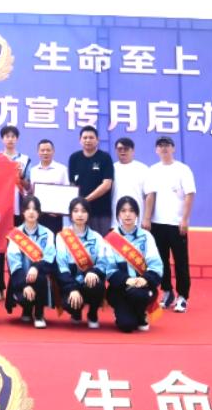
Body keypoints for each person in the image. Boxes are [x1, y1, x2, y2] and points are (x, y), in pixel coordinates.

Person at [142, 135, 196, 313]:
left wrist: (185, 219)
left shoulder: (183, 169)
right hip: (157, 223)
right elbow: (150, 195)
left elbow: (189, 195)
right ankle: (167, 291)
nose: (164, 148)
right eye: (160, 146)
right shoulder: (152, 170)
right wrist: (147, 218)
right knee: (161, 261)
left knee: (181, 261)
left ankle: (182, 296)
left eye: (167, 145)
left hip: (176, 223)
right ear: (156, 150)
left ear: (173, 148)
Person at [104, 196, 164, 333]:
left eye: (131, 211)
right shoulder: (110, 239)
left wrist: (145, 279)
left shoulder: (146, 236)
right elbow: (109, 269)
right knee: (126, 326)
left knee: (138, 295)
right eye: (123, 211)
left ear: (137, 214)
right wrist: (127, 280)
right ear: (118, 214)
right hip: (120, 289)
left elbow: (156, 265)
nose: (127, 214)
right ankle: (124, 313)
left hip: (142, 288)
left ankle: (141, 313)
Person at [56, 197, 110, 329]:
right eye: (76, 211)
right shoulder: (62, 237)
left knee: (96, 284)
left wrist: (93, 272)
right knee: (69, 302)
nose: (80, 214)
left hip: (89, 281)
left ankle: (93, 313)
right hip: (70, 280)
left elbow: (103, 262)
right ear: (70, 214)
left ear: (88, 214)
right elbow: (62, 267)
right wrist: (72, 288)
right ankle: (76, 312)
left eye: (83, 211)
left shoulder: (97, 237)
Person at [5, 196, 57, 328]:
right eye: (28, 209)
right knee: (24, 292)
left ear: (39, 212)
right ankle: (27, 309)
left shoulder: (48, 234)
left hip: (40, 277)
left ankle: (39, 314)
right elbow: (14, 264)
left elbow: (49, 258)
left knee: (39, 276)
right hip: (21, 277)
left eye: (35, 209)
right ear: (23, 212)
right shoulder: (16, 234)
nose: (31, 212)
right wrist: (24, 285)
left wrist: (35, 267)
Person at [68, 125, 114, 235]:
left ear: (97, 140)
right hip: (80, 212)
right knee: (79, 242)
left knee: (100, 242)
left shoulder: (105, 158)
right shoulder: (74, 158)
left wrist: (86, 200)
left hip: (100, 212)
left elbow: (107, 184)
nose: (88, 140)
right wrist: (79, 204)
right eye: (85, 137)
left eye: (91, 137)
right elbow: (72, 184)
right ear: (80, 140)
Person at [0, 125, 32, 228]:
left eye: (13, 136)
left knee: (18, 232)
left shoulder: (25, 159)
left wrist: (21, 177)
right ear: (2, 139)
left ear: (17, 139)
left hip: (19, 203)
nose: (10, 139)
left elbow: (28, 187)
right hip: (0, 203)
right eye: (7, 136)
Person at [29, 138, 69, 235]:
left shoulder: (62, 169)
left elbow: (67, 192)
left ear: (53, 151)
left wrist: (60, 210)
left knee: (54, 240)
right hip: (37, 214)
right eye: (42, 150)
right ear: (38, 152)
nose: (45, 153)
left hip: (55, 215)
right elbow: (30, 192)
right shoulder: (33, 171)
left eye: (48, 150)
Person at [111, 137, 148, 228]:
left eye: (126, 149)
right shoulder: (111, 169)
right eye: (120, 149)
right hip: (115, 220)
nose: (123, 151)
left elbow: (149, 195)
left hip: (137, 220)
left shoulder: (143, 169)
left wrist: (146, 218)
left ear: (133, 150)